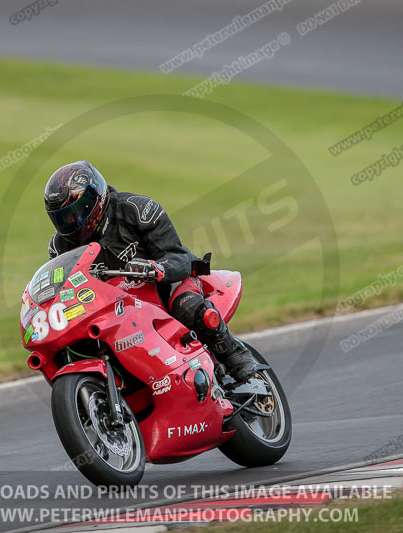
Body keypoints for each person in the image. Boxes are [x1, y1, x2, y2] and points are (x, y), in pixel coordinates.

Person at [44, 160, 257, 381]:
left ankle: (236, 356)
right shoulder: (59, 248)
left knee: (188, 306)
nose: (72, 221)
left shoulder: (137, 209)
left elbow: (181, 257)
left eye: (78, 211)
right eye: (63, 217)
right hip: (115, 308)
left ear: (96, 198)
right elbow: (64, 291)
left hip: (163, 285)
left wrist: (157, 268)